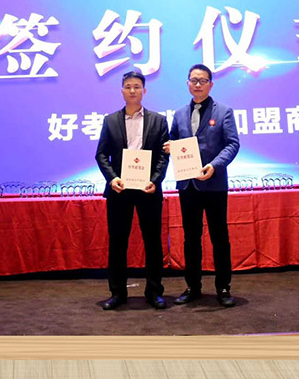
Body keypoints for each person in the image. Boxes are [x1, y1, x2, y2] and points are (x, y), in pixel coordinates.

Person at [166, 64, 240, 307]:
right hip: (188, 185)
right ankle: (193, 287)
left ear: (211, 84)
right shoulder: (179, 114)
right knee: (191, 239)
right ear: (187, 83)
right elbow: (174, 141)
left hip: (214, 184)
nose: (198, 84)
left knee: (219, 237)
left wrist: (215, 166)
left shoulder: (224, 111)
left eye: (203, 80)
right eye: (194, 80)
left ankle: (223, 287)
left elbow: (232, 144)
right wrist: (170, 147)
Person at [95, 71, 170, 310]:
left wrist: (155, 180)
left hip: (148, 189)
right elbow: (101, 154)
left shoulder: (158, 121)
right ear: (122, 91)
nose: (132, 90)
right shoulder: (110, 121)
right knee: (118, 242)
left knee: (153, 242)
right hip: (120, 190)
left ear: (144, 91)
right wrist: (112, 178)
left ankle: (154, 292)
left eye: (137, 86)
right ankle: (117, 293)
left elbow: (163, 156)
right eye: (128, 86)